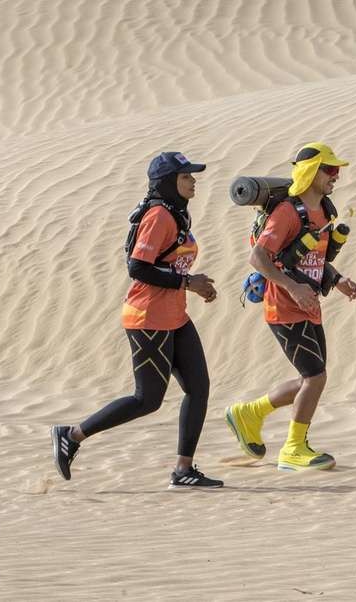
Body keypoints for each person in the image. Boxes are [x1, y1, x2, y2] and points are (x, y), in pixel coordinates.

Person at [51, 151, 223, 489]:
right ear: (168, 182)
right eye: (186, 176)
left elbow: (168, 264)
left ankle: (183, 469)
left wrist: (192, 284)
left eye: (192, 175)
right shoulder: (159, 216)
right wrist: (188, 283)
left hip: (174, 317)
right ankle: (71, 435)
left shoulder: (176, 213)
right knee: (147, 399)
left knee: (198, 388)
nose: (193, 181)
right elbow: (138, 268)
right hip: (148, 318)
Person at [225, 142, 356, 471]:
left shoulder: (324, 211)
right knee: (315, 377)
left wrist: (337, 279)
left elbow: (313, 259)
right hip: (284, 307)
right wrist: (292, 287)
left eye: (337, 170)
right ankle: (293, 449)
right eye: (330, 170)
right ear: (311, 173)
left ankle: (249, 413)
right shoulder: (288, 212)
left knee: (311, 379)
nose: (336, 176)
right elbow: (258, 257)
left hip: (309, 305)